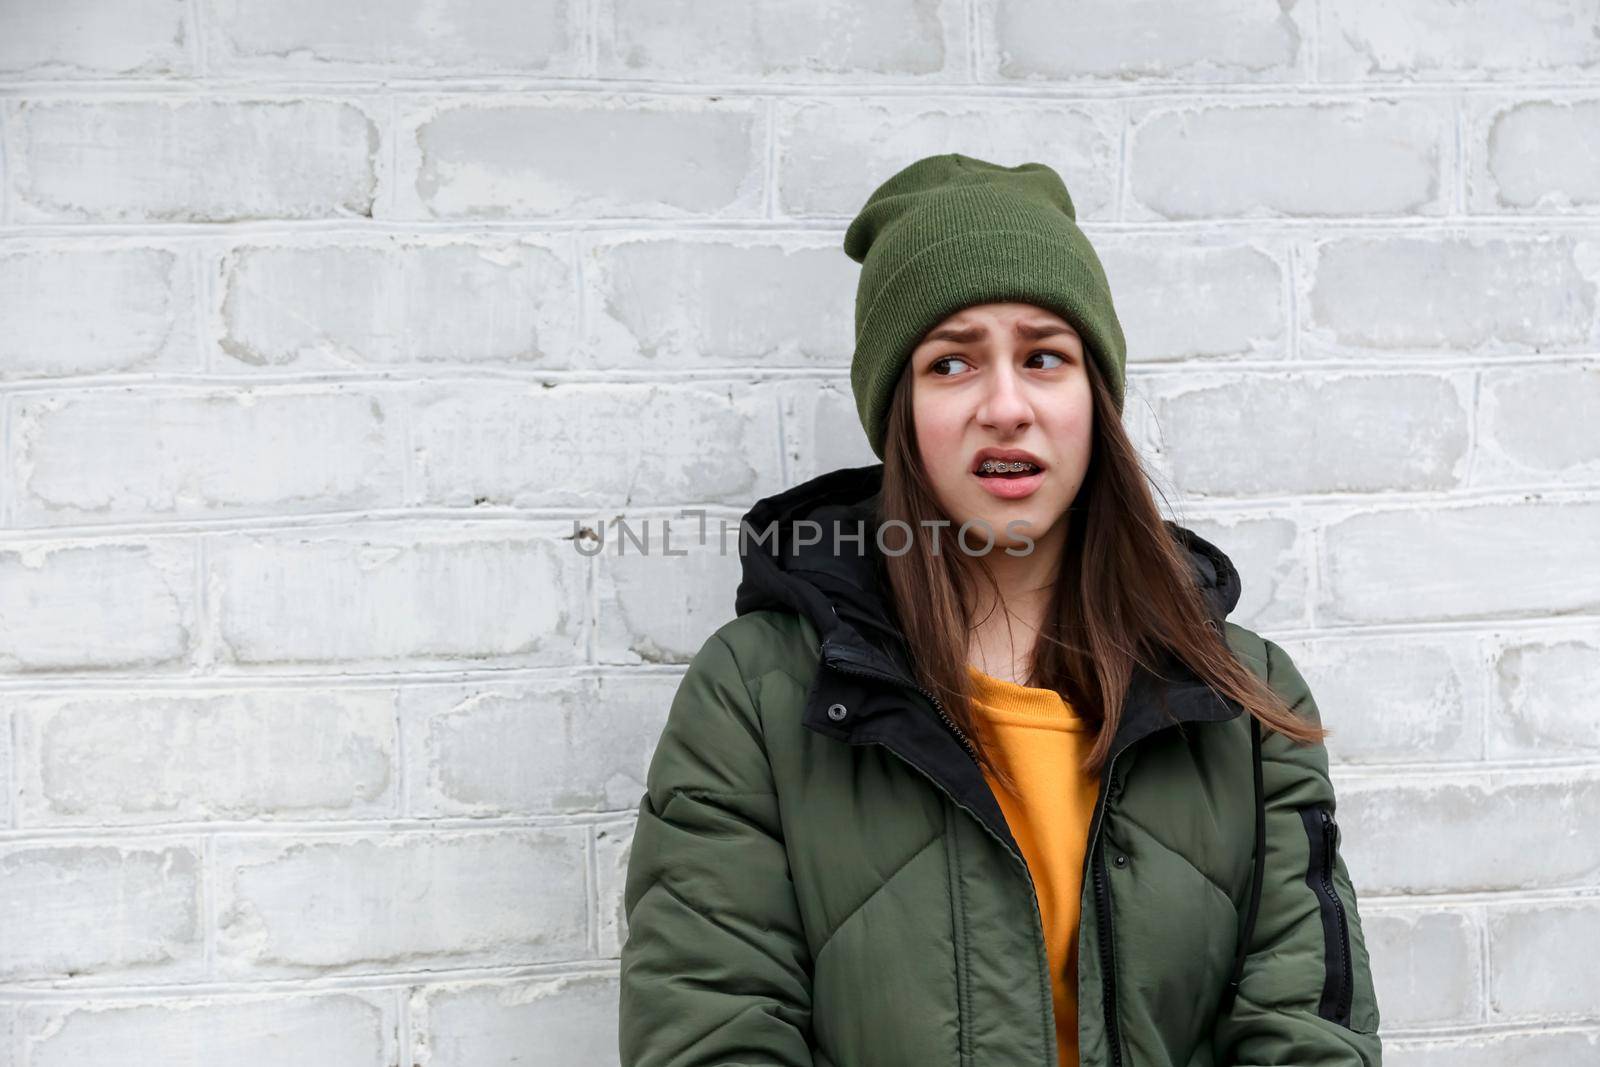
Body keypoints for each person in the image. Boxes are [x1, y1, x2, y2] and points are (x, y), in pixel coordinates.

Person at [618, 153, 1383, 1067]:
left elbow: (1310, 1032)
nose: (1006, 406)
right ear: (901, 408)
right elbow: (713, 1029)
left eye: (1044, 357)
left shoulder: (1243, 698)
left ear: (1094, 398)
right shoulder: (756, 694)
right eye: (952, 362)